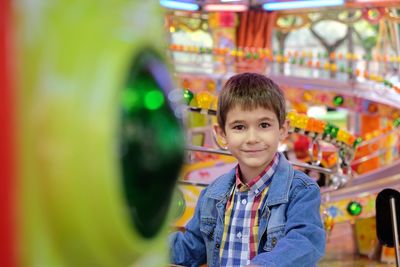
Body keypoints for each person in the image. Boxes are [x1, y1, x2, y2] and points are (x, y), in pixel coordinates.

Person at [170, 72, 326, 267]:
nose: (252, 138)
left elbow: (306, 241)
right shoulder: (212, 195)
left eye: (264, 125)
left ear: (283, 130)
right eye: (239, 127)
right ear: (222, 134)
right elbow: (190, 249)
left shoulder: (301, 191)